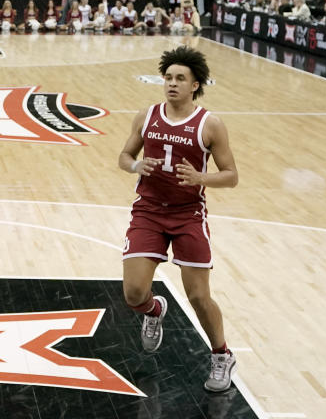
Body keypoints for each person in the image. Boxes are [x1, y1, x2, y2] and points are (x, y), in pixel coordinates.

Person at [117, 46, 238, 393]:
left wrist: (202, 178)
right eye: (168, 77)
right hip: (149, 211)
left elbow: (231, 176)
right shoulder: (147, 116)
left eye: (179, 78)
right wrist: (136, 165)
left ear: (195, 84)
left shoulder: (210, 124)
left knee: (199, 296)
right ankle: (155, 311)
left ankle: (221, 354)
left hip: (188, 215)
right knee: (134, 293)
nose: (171, 84)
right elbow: (124, 156)